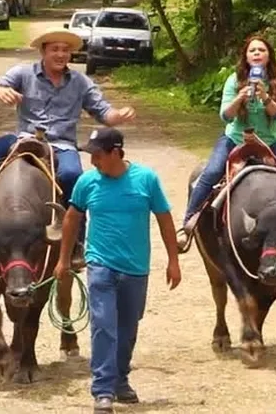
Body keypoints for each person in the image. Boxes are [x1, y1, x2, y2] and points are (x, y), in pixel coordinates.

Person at [0, 28, 137, 247]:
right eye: (55, 49)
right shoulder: (23, 73)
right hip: (23, 138)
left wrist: (120, 115)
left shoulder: (80, 82)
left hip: (62, 145)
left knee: (73, 176)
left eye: (65, 50)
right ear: (43, 52)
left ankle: (76, 242)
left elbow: (104, 112)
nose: (60, 54)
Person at [53, 127, 182, 414]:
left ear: (115, 152)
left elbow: (164, 219)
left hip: (136, 268)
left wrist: (173, 261)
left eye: (97, 155)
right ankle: (103, 390)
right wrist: (63, 259)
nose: (92, 162)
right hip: (100, 265)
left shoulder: (146, 180)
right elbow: (72, 219)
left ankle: (120, 379)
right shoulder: (87, 182)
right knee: (103, 325)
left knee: (128, 328)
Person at [178, 35, 276, 249]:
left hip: (268, 141)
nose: (257, 53)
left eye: (261, 50)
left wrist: (266, 97)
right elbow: (225, 116)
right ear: (246, 56)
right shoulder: (234, 80)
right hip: (235, 139)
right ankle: (188, 223)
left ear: (269, 55)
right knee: (212, 171)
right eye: (253, 50)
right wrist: (240, 98)